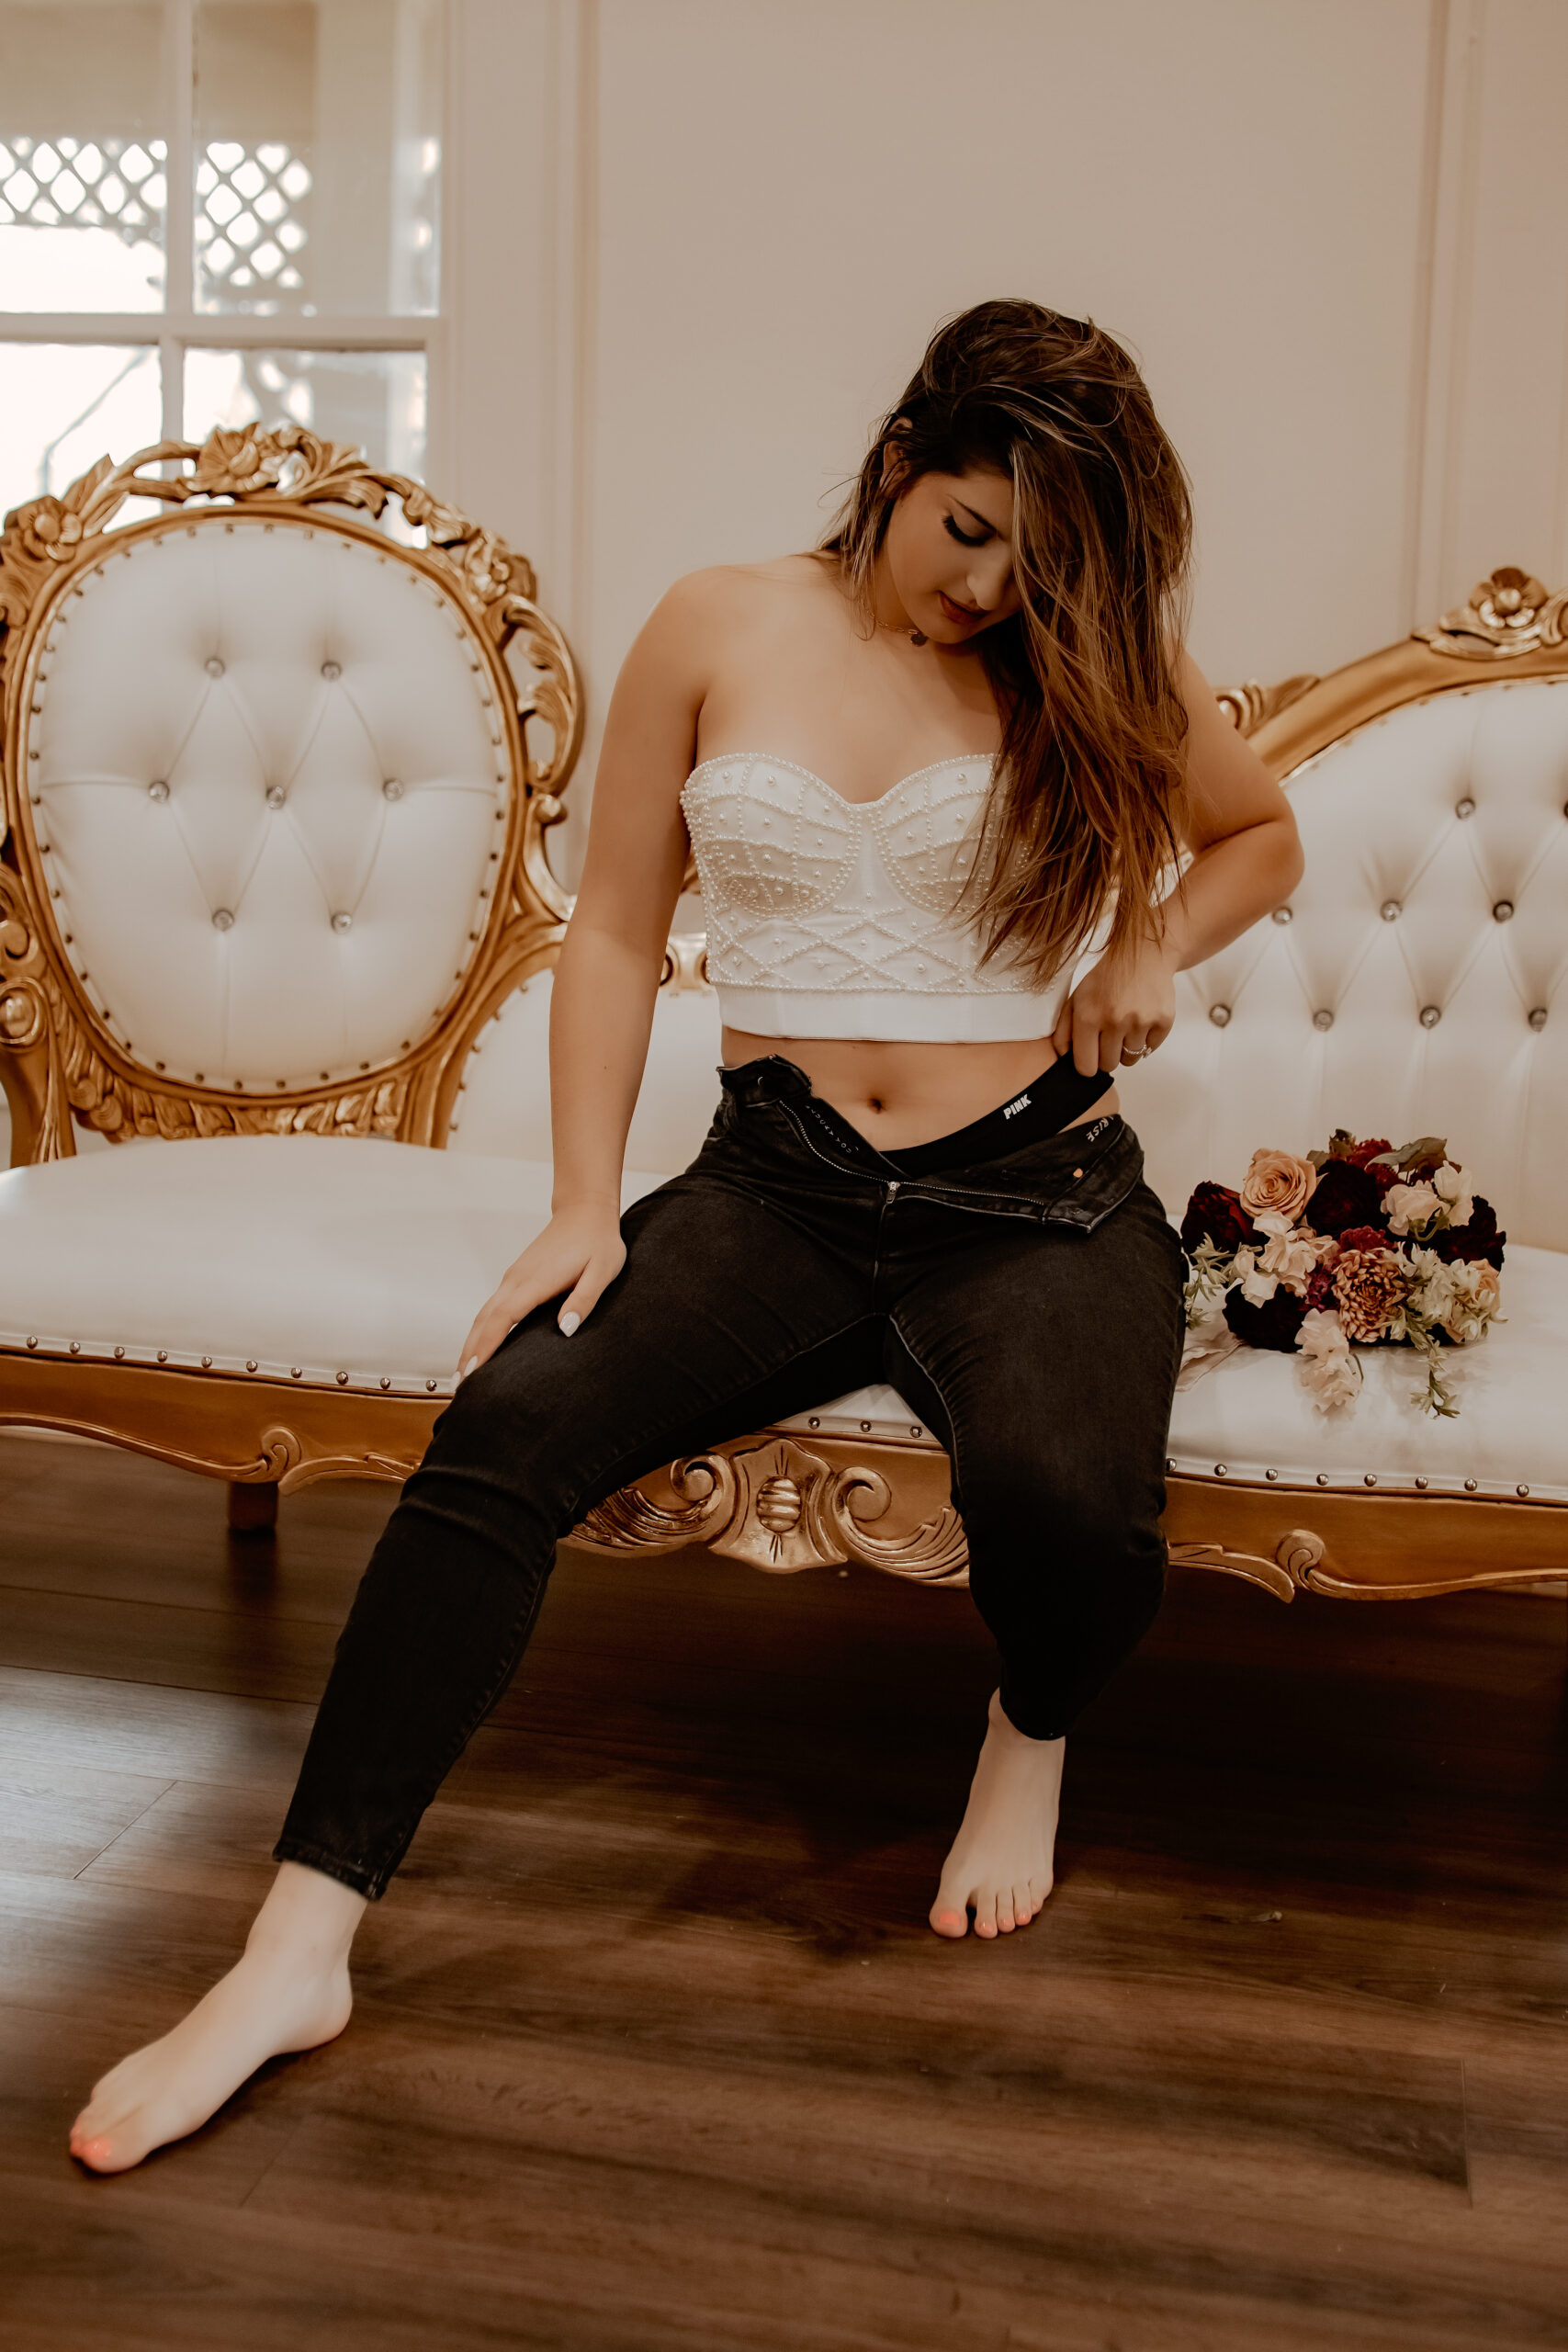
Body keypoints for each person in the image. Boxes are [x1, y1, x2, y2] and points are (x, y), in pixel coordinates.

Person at [70, 299, 1302, 2172]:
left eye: (1031, 563)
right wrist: (580, 1203)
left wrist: (1146, 940)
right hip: (782, 1184)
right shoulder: (716, 622)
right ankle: (293, 1945)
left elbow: (1259, 834)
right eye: (965, 530)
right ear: (899, 460)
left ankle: (1027, 1725)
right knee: (494, 1436)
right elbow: (621, 928)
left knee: (1065, 1503)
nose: (986, 589)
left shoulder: (1093, 660)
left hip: (1027, 1193)